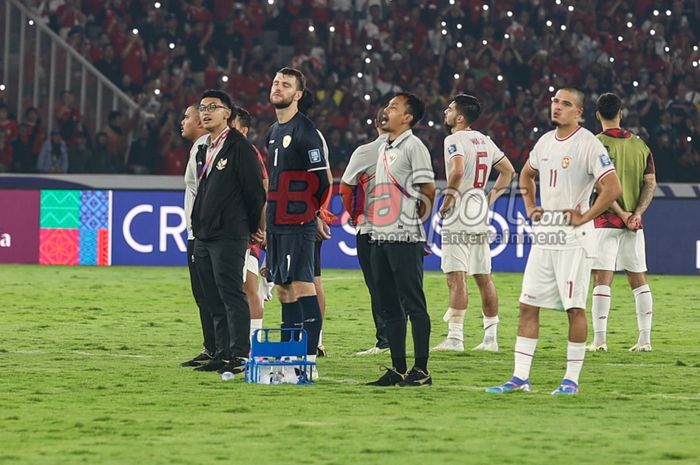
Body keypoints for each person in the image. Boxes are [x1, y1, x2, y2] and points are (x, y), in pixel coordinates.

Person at [487, 88, 621, 395]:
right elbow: (526, 175)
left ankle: (571, 380)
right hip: (545, 238)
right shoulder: (545, 142)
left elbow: (611, 188)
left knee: (574, 309)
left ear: (579, 113)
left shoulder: (588, 144)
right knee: (527, 305)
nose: (557, 107)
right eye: (555, 101)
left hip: (575, 241)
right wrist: (531, 206)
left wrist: (585, 216)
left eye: (566, 104)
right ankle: (520, 378)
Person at [190, 89, 266, 374]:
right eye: (202, 107)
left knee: (231, 293)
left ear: (227, 114)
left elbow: (254, 190)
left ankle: (238, 354)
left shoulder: (239, 147)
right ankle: (221, 353)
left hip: (230, 233)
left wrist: (252, 227)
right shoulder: (203, 148)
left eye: (213, 107)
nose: (206, 112)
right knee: (211, 295)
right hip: (205, 234)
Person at [433, 94, 515, 352]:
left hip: (460, 210)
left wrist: (448, 199)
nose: (445, 111)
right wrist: (491, 197)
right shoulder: (485, 140)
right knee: (484, 276)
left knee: (456, 276)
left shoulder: (453, 139)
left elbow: (457, 170)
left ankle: (455, 338)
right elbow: (508, 171)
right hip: (479, 208)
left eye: (449, 109)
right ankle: (491, 339)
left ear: (459, 117)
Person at [365, 92, 436, 387]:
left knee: (414, 304)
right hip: (380, 235)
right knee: (389, 305)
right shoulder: (386, 146)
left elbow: (429, 189)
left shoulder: (414, 146)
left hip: (404, 237)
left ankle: (421, 370)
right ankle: (397, 369)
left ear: (407, 118)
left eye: (394, 107)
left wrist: (411, 221)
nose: (386, 110)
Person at [266, 68, 331, 371]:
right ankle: (288, 356)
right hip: (277, 223)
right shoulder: (273, 131)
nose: (278, 88)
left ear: (298, 95)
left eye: (286, 85)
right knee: (283, 289)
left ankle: (307, 360)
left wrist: (312, 213)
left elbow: (323, 180)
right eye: (277, 83)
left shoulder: (305, 130)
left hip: (298, 222)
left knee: (304, 286)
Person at [588, 92, 656, 353]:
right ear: (621, 113)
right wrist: (636, 213)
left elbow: (600, 185)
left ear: (597, 115)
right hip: (634, 224)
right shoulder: (641, 145)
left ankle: (600, 340)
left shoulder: (595, 144)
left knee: (602, 279)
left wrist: (622, 213)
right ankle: (644, 340)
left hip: (606, 221)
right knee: (638, 279)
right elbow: (650, 183)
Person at [340, 107, 391, 356]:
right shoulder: (414, 150)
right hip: (403, 230)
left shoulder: (365, 151)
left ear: (375, 124)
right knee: (402, 286)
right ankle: (403, 338)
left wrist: (354, 214)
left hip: (370, 228)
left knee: (377, 285)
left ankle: (385, 341)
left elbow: (345, 187)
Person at [179, 104, 216, 368]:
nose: (183, 121)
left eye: (186, 117)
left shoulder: (204, 147)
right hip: (199, 231)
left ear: (201, 122)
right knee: (203, 294)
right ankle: (213, 346)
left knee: (208, 293)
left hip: (204, 233)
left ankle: (218, 348)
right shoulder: (199, 148)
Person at [298, 88, 333, 358]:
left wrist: (318, 212)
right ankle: (309, 338)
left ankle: (316, 340)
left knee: (312, 280)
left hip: (306, 217)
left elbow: (325, 178)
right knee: (299, 281)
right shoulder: (288, 131)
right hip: (290, 218)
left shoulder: (308, 134)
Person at [230, 107, 270, 343]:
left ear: (243, 129)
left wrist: (260, 228)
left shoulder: (248, 152)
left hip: (246, 231)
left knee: (248, 287)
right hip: (233, 229)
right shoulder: (227, 150)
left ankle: (253, 342)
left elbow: (263, 190)